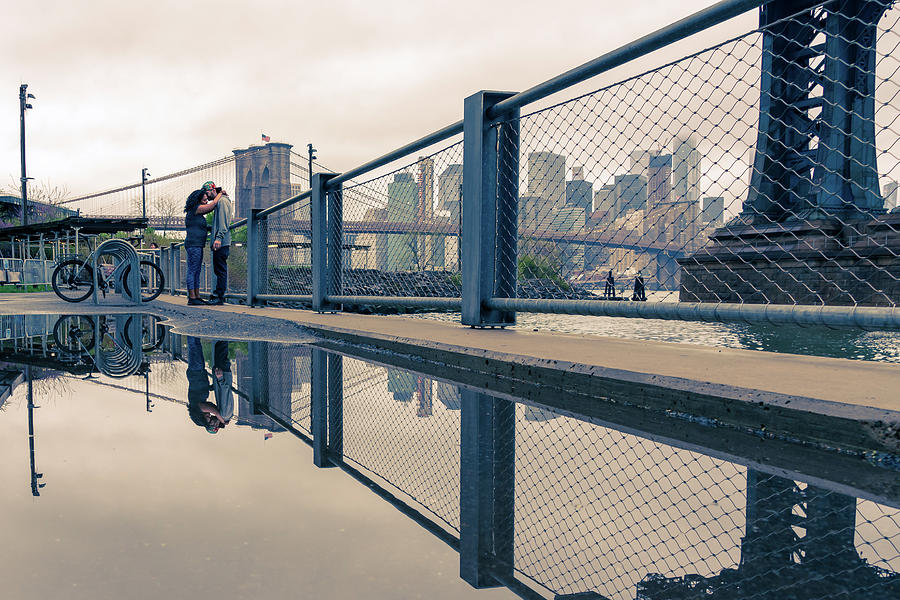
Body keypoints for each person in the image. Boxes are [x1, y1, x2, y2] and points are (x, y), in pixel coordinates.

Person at [183, 181, 222, 305]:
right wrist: (220, 194)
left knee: (197, 270)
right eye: (204, 199)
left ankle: (197, 296)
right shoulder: (195, 209)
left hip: (197, 245)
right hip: (193, 245)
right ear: (198, 199)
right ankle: (192, 298)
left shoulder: (196, 212)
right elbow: (213, 205)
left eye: (206, 199)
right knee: (192, 270)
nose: (206, 201)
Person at [186, 336, 232, 434]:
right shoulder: (200, 403)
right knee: (196, 346)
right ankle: (192, 331)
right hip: (199, 372)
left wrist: (222, 420)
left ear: (200, 416)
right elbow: (213, 407)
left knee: (194, 347)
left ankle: (191, 331)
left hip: (196, 372)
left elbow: (214, 411)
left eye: (207, 418)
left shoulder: (198, 407)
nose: (209, 416)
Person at [209, 183, 233, 305]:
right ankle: (218, 294)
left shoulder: (222, 202)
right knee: (219, 269)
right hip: (222, 241)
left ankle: (219, 296)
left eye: (207, 192)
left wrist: (218, 238)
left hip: (221, 242)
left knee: (221, 270)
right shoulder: (222, 200)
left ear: (212, 190)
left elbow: (223, 223)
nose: (206, 196)